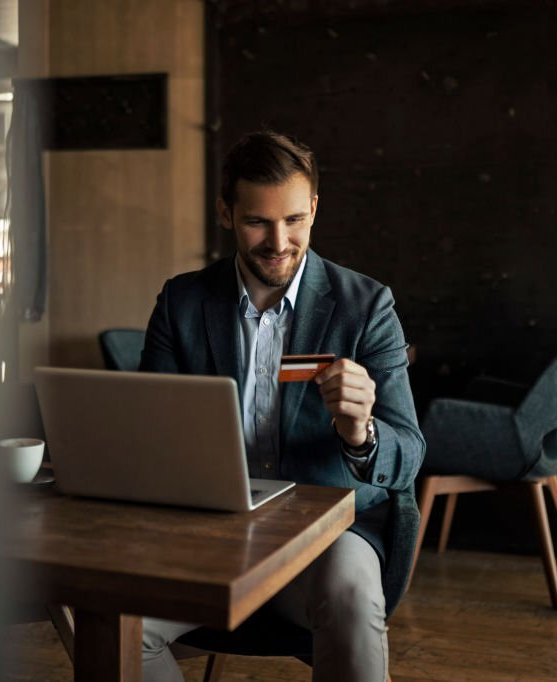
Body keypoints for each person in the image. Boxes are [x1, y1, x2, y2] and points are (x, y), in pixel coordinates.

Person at [138, 130, 424, 681]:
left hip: (327, 541)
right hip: (206, 537)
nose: (278, 241)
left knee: (352, 596)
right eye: (257, 222)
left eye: (294, 219)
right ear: (225, 213)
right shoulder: (182, 301)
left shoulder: (367, 306)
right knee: (108, 617)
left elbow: (408, 455)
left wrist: (361, 432)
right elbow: (149, 435)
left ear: (314, 209)